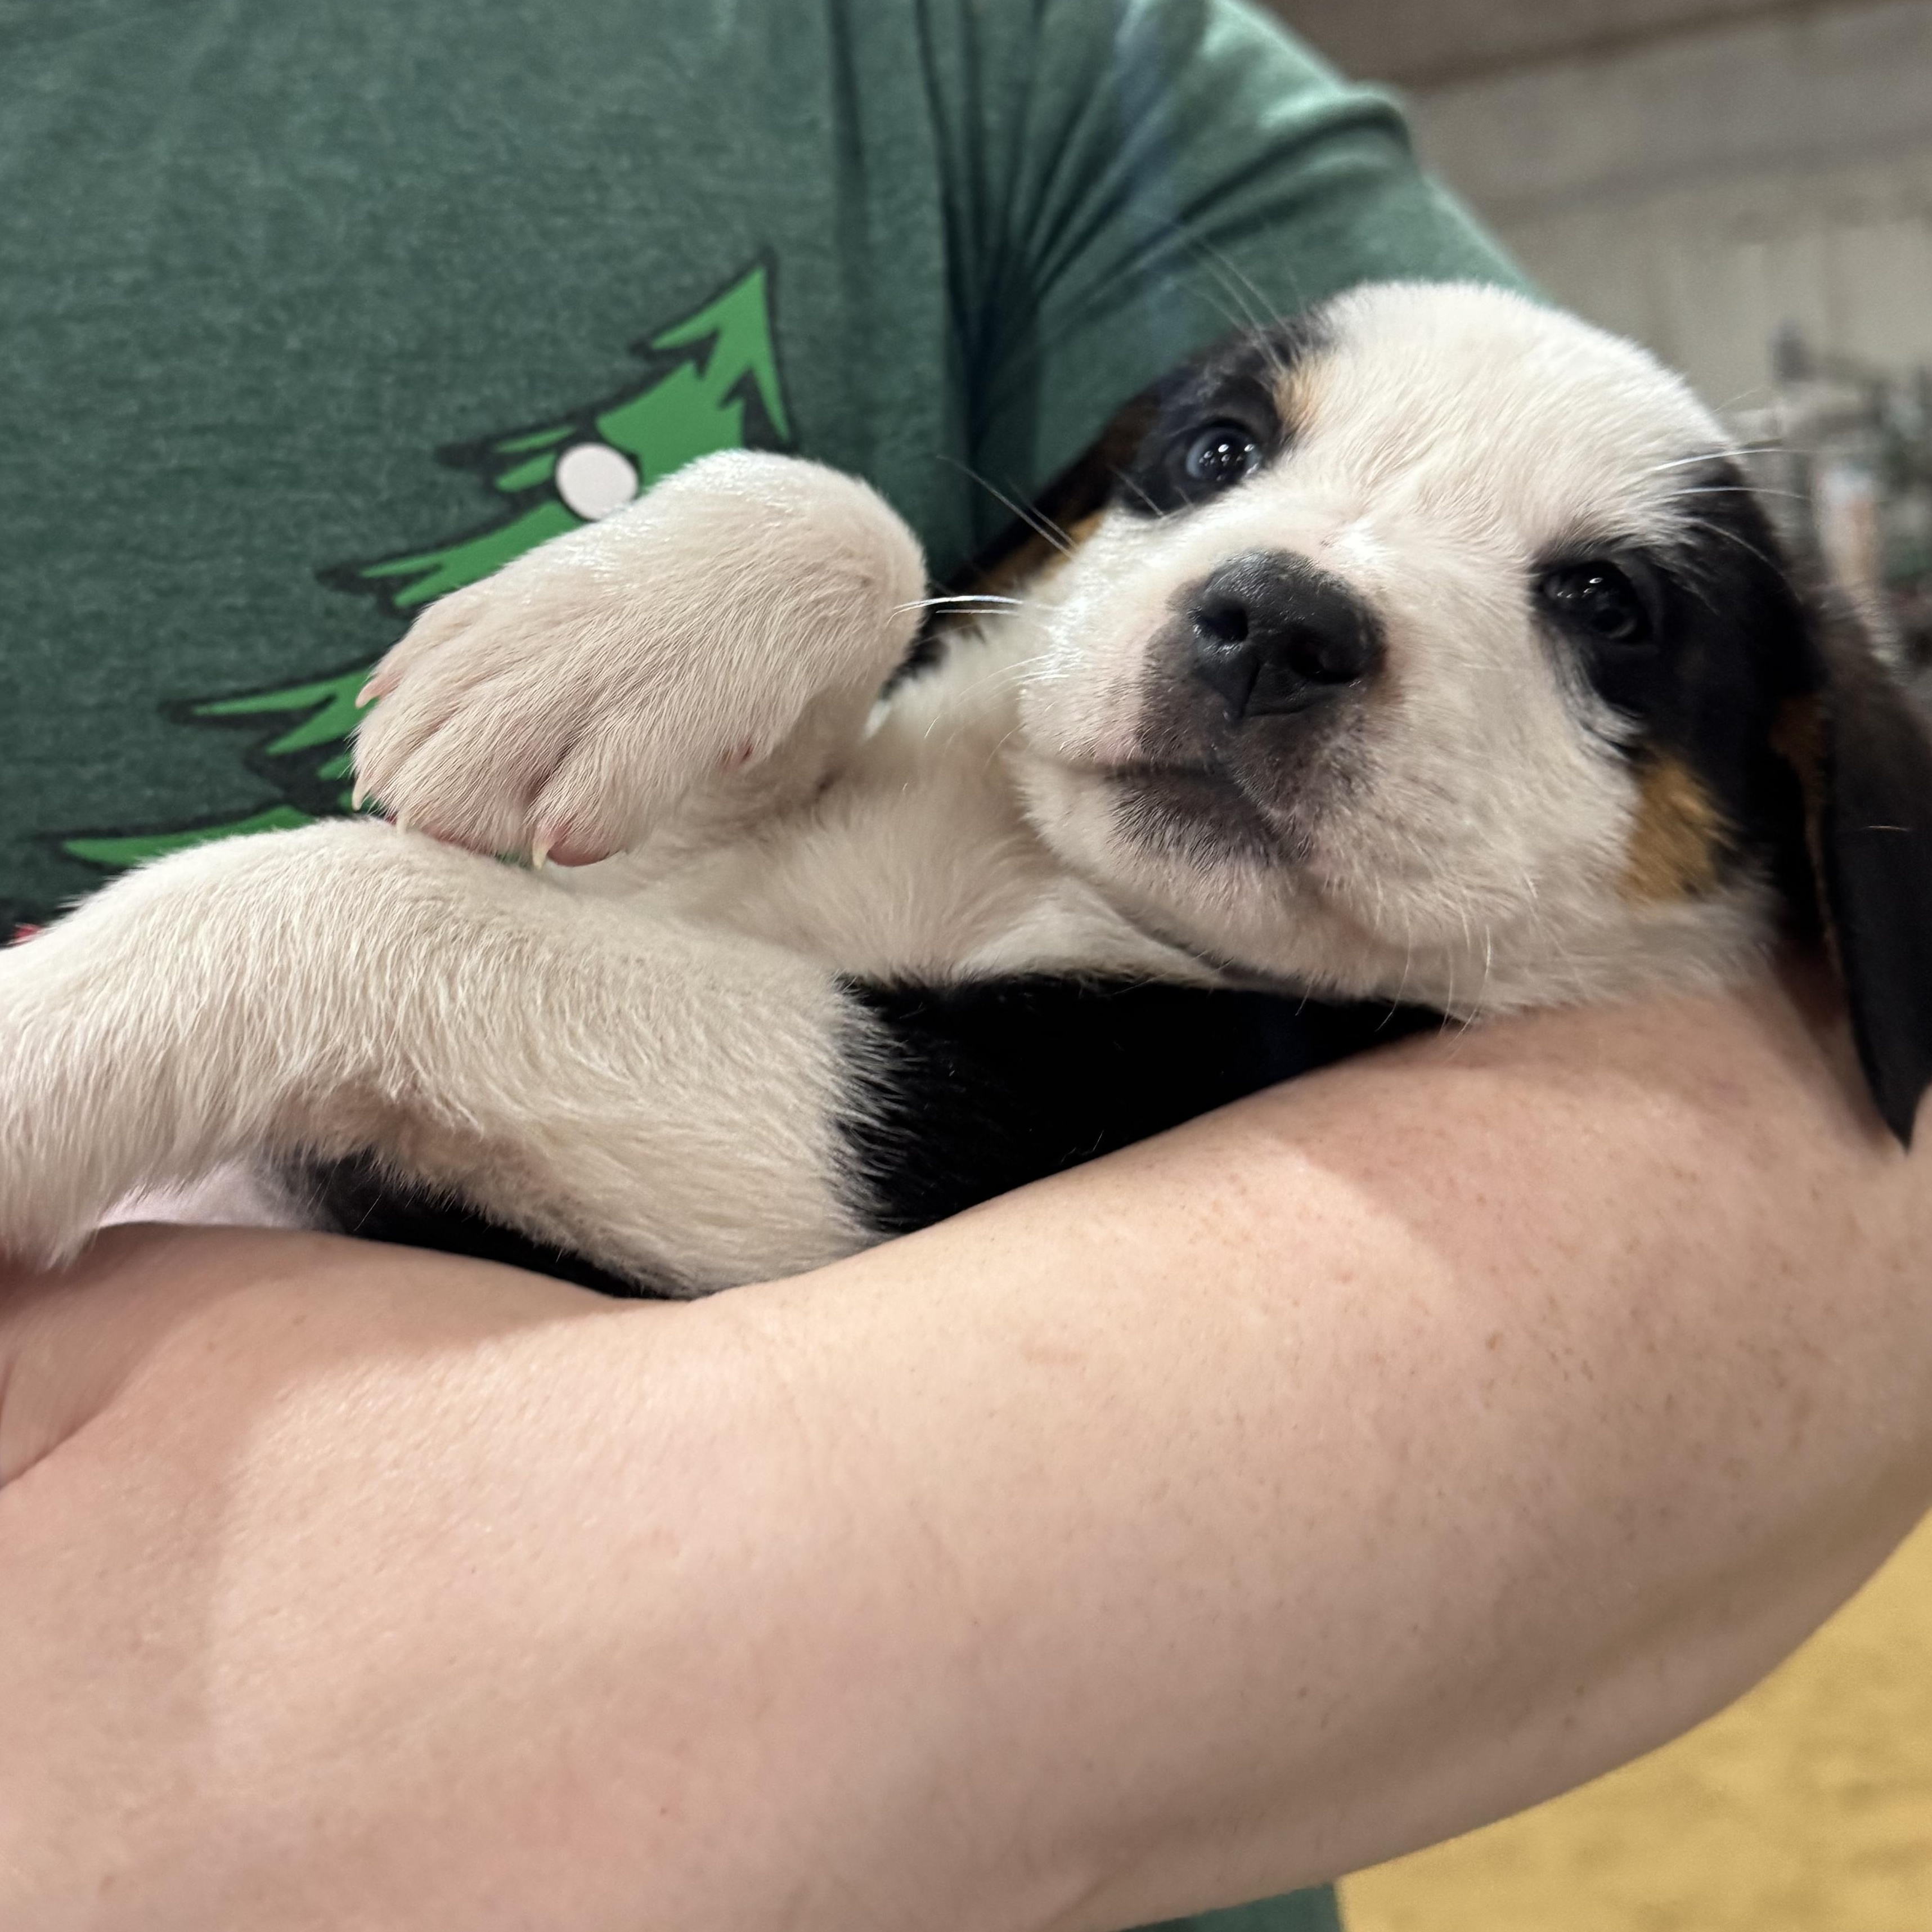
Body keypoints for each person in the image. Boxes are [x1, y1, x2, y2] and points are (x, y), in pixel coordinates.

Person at [3, 4, 1930, 1929]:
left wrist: (325, 960)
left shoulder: (1309, 1058)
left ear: (1799, 802)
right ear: (1083, 517)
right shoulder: (964, 747)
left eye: (1599, 606)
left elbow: (821, 1135)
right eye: (1222, 453)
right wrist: (808, 555)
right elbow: (705, 869)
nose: (1285, 599)